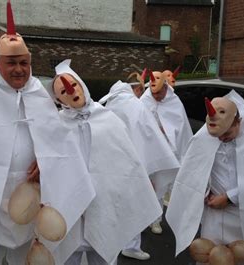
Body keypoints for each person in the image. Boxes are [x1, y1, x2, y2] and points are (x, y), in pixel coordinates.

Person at [0, 2, 95, 264]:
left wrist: (45, 161)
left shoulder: (39, 92)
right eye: (11, 63)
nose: (19, 69)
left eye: (24, 63)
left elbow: (58, 142)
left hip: (30, 197)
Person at [48, 60, 162, 265]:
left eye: (73, 85)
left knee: (102, 257)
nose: (71, 92)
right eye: (63, 92)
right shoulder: (56, 125)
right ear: (58, 99)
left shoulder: (108, 119)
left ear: (81, 85)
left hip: (104, 206)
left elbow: (127, 161)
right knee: (67, 258)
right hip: (71, 213)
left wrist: (141, 183)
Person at [166, 91, 244, 265]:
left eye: (227, 134)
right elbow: (194, 171)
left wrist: (230, 197)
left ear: (238, 121)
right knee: (211, 258)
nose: (222, 139)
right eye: (219, 137)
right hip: (215, 216)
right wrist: (203, 191)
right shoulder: (209, 131)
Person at [99, 78, 180, 261]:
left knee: (113, 206)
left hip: (109, 164)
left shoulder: (108, 105)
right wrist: (148, 172)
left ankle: (112, 242)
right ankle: (131, 246)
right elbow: (148, 138)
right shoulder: (136, 106)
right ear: (135, 89)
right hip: (133, 166)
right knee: (133, 206)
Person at [140, 70, 193, 234]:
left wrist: (167, 130)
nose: (156, 97)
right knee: (152, 187)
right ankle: (150, 219)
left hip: (171, 151)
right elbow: (139, 125)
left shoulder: (174, 101)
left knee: (169, 187)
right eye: (153, 94)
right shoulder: (144, 101)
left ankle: (168, 220)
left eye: (159, 93)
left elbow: (181, 126)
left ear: (165, 88)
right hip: (151, 152)